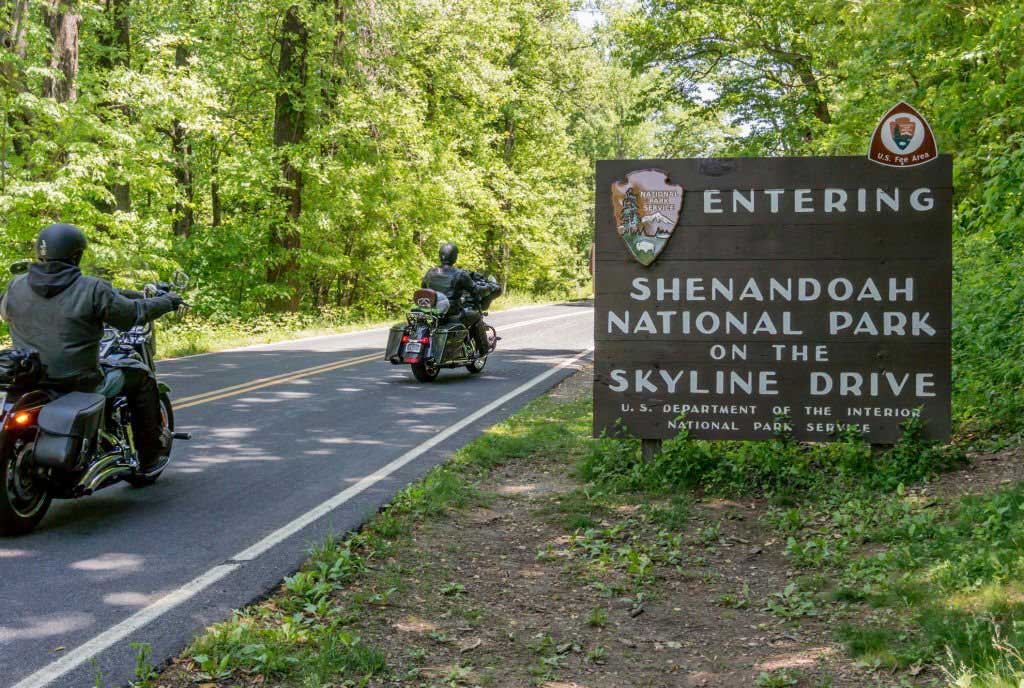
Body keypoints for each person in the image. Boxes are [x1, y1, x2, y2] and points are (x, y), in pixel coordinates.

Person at [0, 223, 183, 473]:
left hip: (30, 379)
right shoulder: (92, 288)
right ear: (76, 255)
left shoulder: (16, 286)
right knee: (140, 376)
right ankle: (150, 455)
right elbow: (132, 314)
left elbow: (6, 312)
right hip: (78, 381)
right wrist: (167, 301)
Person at [421, 242, 492, 356]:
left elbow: (424, 289)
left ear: (440, 255)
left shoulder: (430, 273)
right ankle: (484, 350)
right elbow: (475, 290)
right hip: (452, 313)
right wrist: (488, 288)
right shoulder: (460, 274)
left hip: (432, 312)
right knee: (476, 315)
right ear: (454, 256)